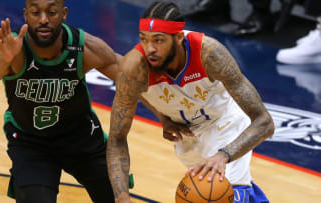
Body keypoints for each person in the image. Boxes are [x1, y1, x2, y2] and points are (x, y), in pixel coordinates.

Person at [106, 2, 275, 203]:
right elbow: (116, 138)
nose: (149, 48)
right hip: (188, 134)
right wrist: (122, 196)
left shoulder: (209, 53)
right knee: (214, 193)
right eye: (144, 39)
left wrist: (224, 154)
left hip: (225, 124)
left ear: (178, 37)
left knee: (224, 192)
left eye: (158, 40)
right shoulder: (134, 68)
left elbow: (265, 122)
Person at [0, 0, 119, 202]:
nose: (43, 19)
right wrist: (5, 59)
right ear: (26, 14)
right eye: (35, 12)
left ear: (64, 14)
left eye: (52, 12)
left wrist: (167, 114)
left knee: (117, 198)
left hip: (81, 137)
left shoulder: (84, 47)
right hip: (31, 142)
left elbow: (131, 78)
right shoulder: (13, 47)